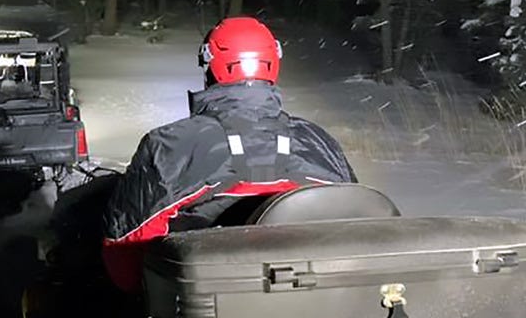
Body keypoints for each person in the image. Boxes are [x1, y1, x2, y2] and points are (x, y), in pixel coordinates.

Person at [100, 16, 357, 291]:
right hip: (316, 307)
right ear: (273, 63)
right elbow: (358, 223)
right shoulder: (319, 141)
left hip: (205, 312)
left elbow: (123, 252)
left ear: (210, 67)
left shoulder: (169, 145)